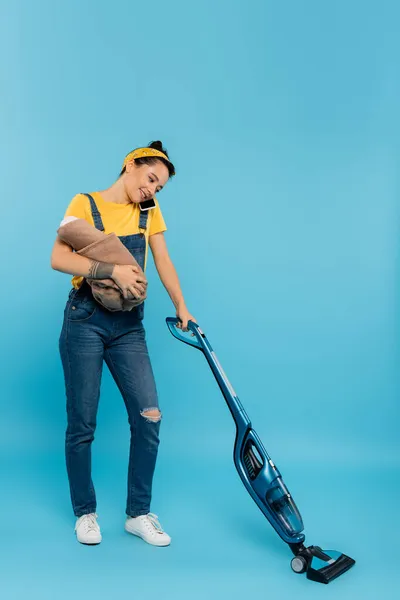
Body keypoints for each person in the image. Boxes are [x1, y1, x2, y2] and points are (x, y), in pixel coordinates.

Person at [51, 141, 196, 546]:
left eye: (159, 187)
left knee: (149, 414)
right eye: (150, 178)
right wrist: (112, 268)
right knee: (83, 423)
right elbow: (58, 258)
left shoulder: (148, 212)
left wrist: (183, 305)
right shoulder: (85, 203)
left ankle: (138, 513)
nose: (152, 189)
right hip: (85, 321)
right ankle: (85, 512)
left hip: (129, 326)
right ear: (130, 165)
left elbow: (162, 260)